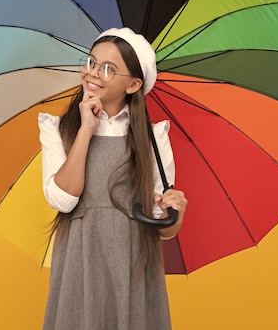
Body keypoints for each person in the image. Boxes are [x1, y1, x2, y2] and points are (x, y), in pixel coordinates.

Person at [38, 27, 188, 329]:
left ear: (133, 84)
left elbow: (164, 227)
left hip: (134, 263)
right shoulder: (57, 128)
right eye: (92, 63)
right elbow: (63, 199)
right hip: (81, 258)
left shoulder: (153, 138)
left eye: (108, 69)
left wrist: (176, 212)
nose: (93, 74)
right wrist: (85, 129)